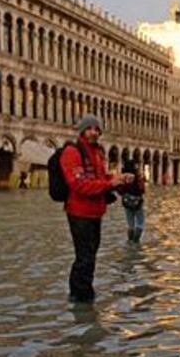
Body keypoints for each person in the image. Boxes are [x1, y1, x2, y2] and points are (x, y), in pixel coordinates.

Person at [61, 115, 132, 303]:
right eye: (90, 128)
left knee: (90, 256)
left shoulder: (97, 153)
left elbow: (100, 178)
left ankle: (81, 293)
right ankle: (82, 298)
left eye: (97, 129)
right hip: (79, 213)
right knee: (84, 258)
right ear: (82, 130)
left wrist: (118, 178)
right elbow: (80, 185)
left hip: (95, 213)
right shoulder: (72, 152)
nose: (94, 132)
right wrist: (109, 184)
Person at [120, 160, 147, 243]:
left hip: (127, 203)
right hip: (137, 202)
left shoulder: (123, 177)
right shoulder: (138, 177)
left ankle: (130, 240)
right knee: (140, 223)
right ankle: (136, 241)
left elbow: (120, 190)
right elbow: (142, 190)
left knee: (130, 225)